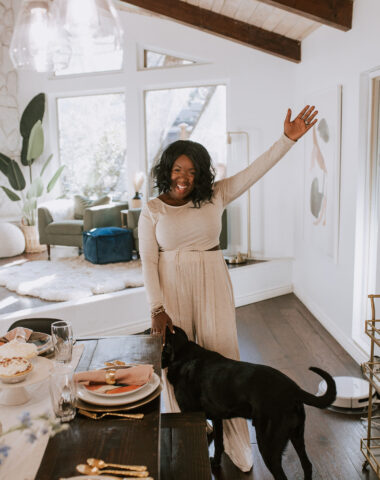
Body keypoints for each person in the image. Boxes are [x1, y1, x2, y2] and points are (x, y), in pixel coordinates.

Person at [138, 105, 318, 472]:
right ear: (167, 171)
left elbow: (256, 171)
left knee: (222, 357)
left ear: (201, 173)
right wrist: (157, 308)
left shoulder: (215, 195)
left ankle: (235, 444)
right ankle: (188, 438)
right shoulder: (152, 209)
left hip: (211, 280)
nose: (183, 177)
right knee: (176, 366)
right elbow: (147, 260)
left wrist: (287, 139)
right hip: (170, 288)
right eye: (177, 169)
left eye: (191, 170)